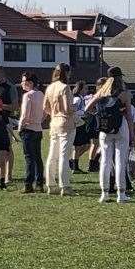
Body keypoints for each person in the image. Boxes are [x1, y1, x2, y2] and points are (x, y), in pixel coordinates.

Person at [92, 70, 135, 203]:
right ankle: (121, 193)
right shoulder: (124, 94)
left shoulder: (102, 92)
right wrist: (132, 137)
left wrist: (99, 115)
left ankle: (104, 193)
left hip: (104, 129)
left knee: (105, 161)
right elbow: (129, 116)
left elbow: (88, 107)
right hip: (121, 127)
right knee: (120, 161)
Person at [43, 64, 77, 196]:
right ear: (66, 73)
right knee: (64, 155)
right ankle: (65, 186)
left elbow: (45, 107)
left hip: (54, 122)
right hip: (66, 123)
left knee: (52, 155)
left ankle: (51, 184)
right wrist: (75, 109)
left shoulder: (50, 87)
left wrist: (54, 113)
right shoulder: (65, 87)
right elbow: (68, 109)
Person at [17, 71, 47, 193]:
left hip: (28, 129)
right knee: (37, 157)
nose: (22, 84)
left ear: (30, 83)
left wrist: (20, 127)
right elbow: (46, 112)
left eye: (23, 82)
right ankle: (39, 183)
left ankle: (28, 184)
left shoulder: (28, 96)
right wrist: (40, 120)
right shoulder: (41, 94)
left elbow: (25, 114)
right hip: (38, 129)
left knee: (29, 157)